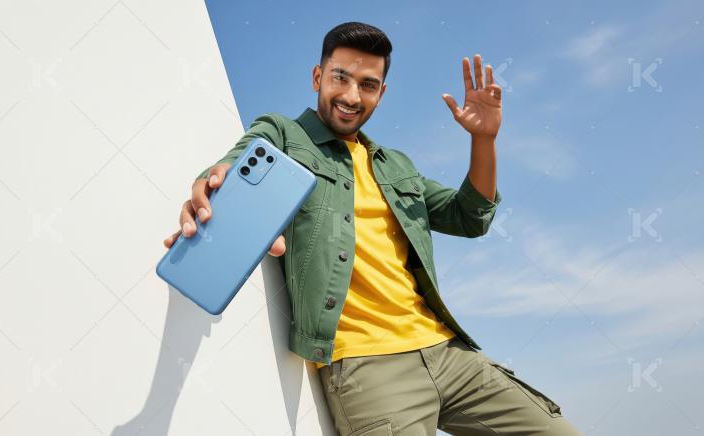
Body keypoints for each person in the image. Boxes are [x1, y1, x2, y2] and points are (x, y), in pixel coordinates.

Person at [164, 21, 581, 436]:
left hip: (448, 352)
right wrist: (213, 180)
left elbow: (470, 218)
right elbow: (234, 163)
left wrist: (484, 140)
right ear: (317, 77)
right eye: (340, 78)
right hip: (367, 369)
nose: (350, 96)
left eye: (367, 84)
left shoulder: (395, 165)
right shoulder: (283, 135)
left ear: (381, 93)